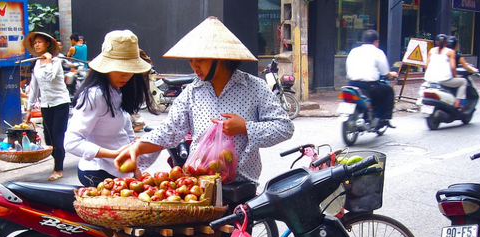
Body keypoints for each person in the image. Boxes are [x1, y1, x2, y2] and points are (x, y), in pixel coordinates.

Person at [114, 16, 294, 190]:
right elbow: (169, 131)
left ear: (221, 58)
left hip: (241, 187)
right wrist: (137, 147)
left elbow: (284, 128)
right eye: (191, 60)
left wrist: (245, 127)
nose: (194, 66)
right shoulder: (192, 92)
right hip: (198, 187)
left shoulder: (255, 88)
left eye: (200, 60)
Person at [64, 30, 159, 187]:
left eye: (130, 70)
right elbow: (71, 142)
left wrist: (134, 165)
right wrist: (114, 154)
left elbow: (126, 131)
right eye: (120, 69)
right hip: (99, 173)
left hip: (121, 173)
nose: (126, 75)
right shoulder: (95, 95)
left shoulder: (116, 90)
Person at [23, 32, 71, 181]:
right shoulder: (37, 63)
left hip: (60, 103)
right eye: (35, 43)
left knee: (57, 136)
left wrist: (49, 62)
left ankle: (58, 169)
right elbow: (34, 87)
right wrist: (29, 109)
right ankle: (57, 158)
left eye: (39, 42)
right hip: (46, 104)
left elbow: (50, 78)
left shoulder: (56, 61)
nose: (37, 45)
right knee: (48, 139)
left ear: (47, 44)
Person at [345, 29, 398, 128]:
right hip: (369, 86)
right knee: (389, 91)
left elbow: (347, 69)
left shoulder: (354, 51)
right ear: (375, 41)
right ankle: (385, 119)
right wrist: (392, 74)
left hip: (351, 84)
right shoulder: (378, 52)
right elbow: (385, 72)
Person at [424, 34, 467, 108]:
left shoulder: (431, 50)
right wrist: (455, 75)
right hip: (444, 80)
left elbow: (426, 66)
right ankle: (457, 103)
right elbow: (453, 67)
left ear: (436, 42)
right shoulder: (450, 52)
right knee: (463, 82)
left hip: (429, 79)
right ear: (446, 42)